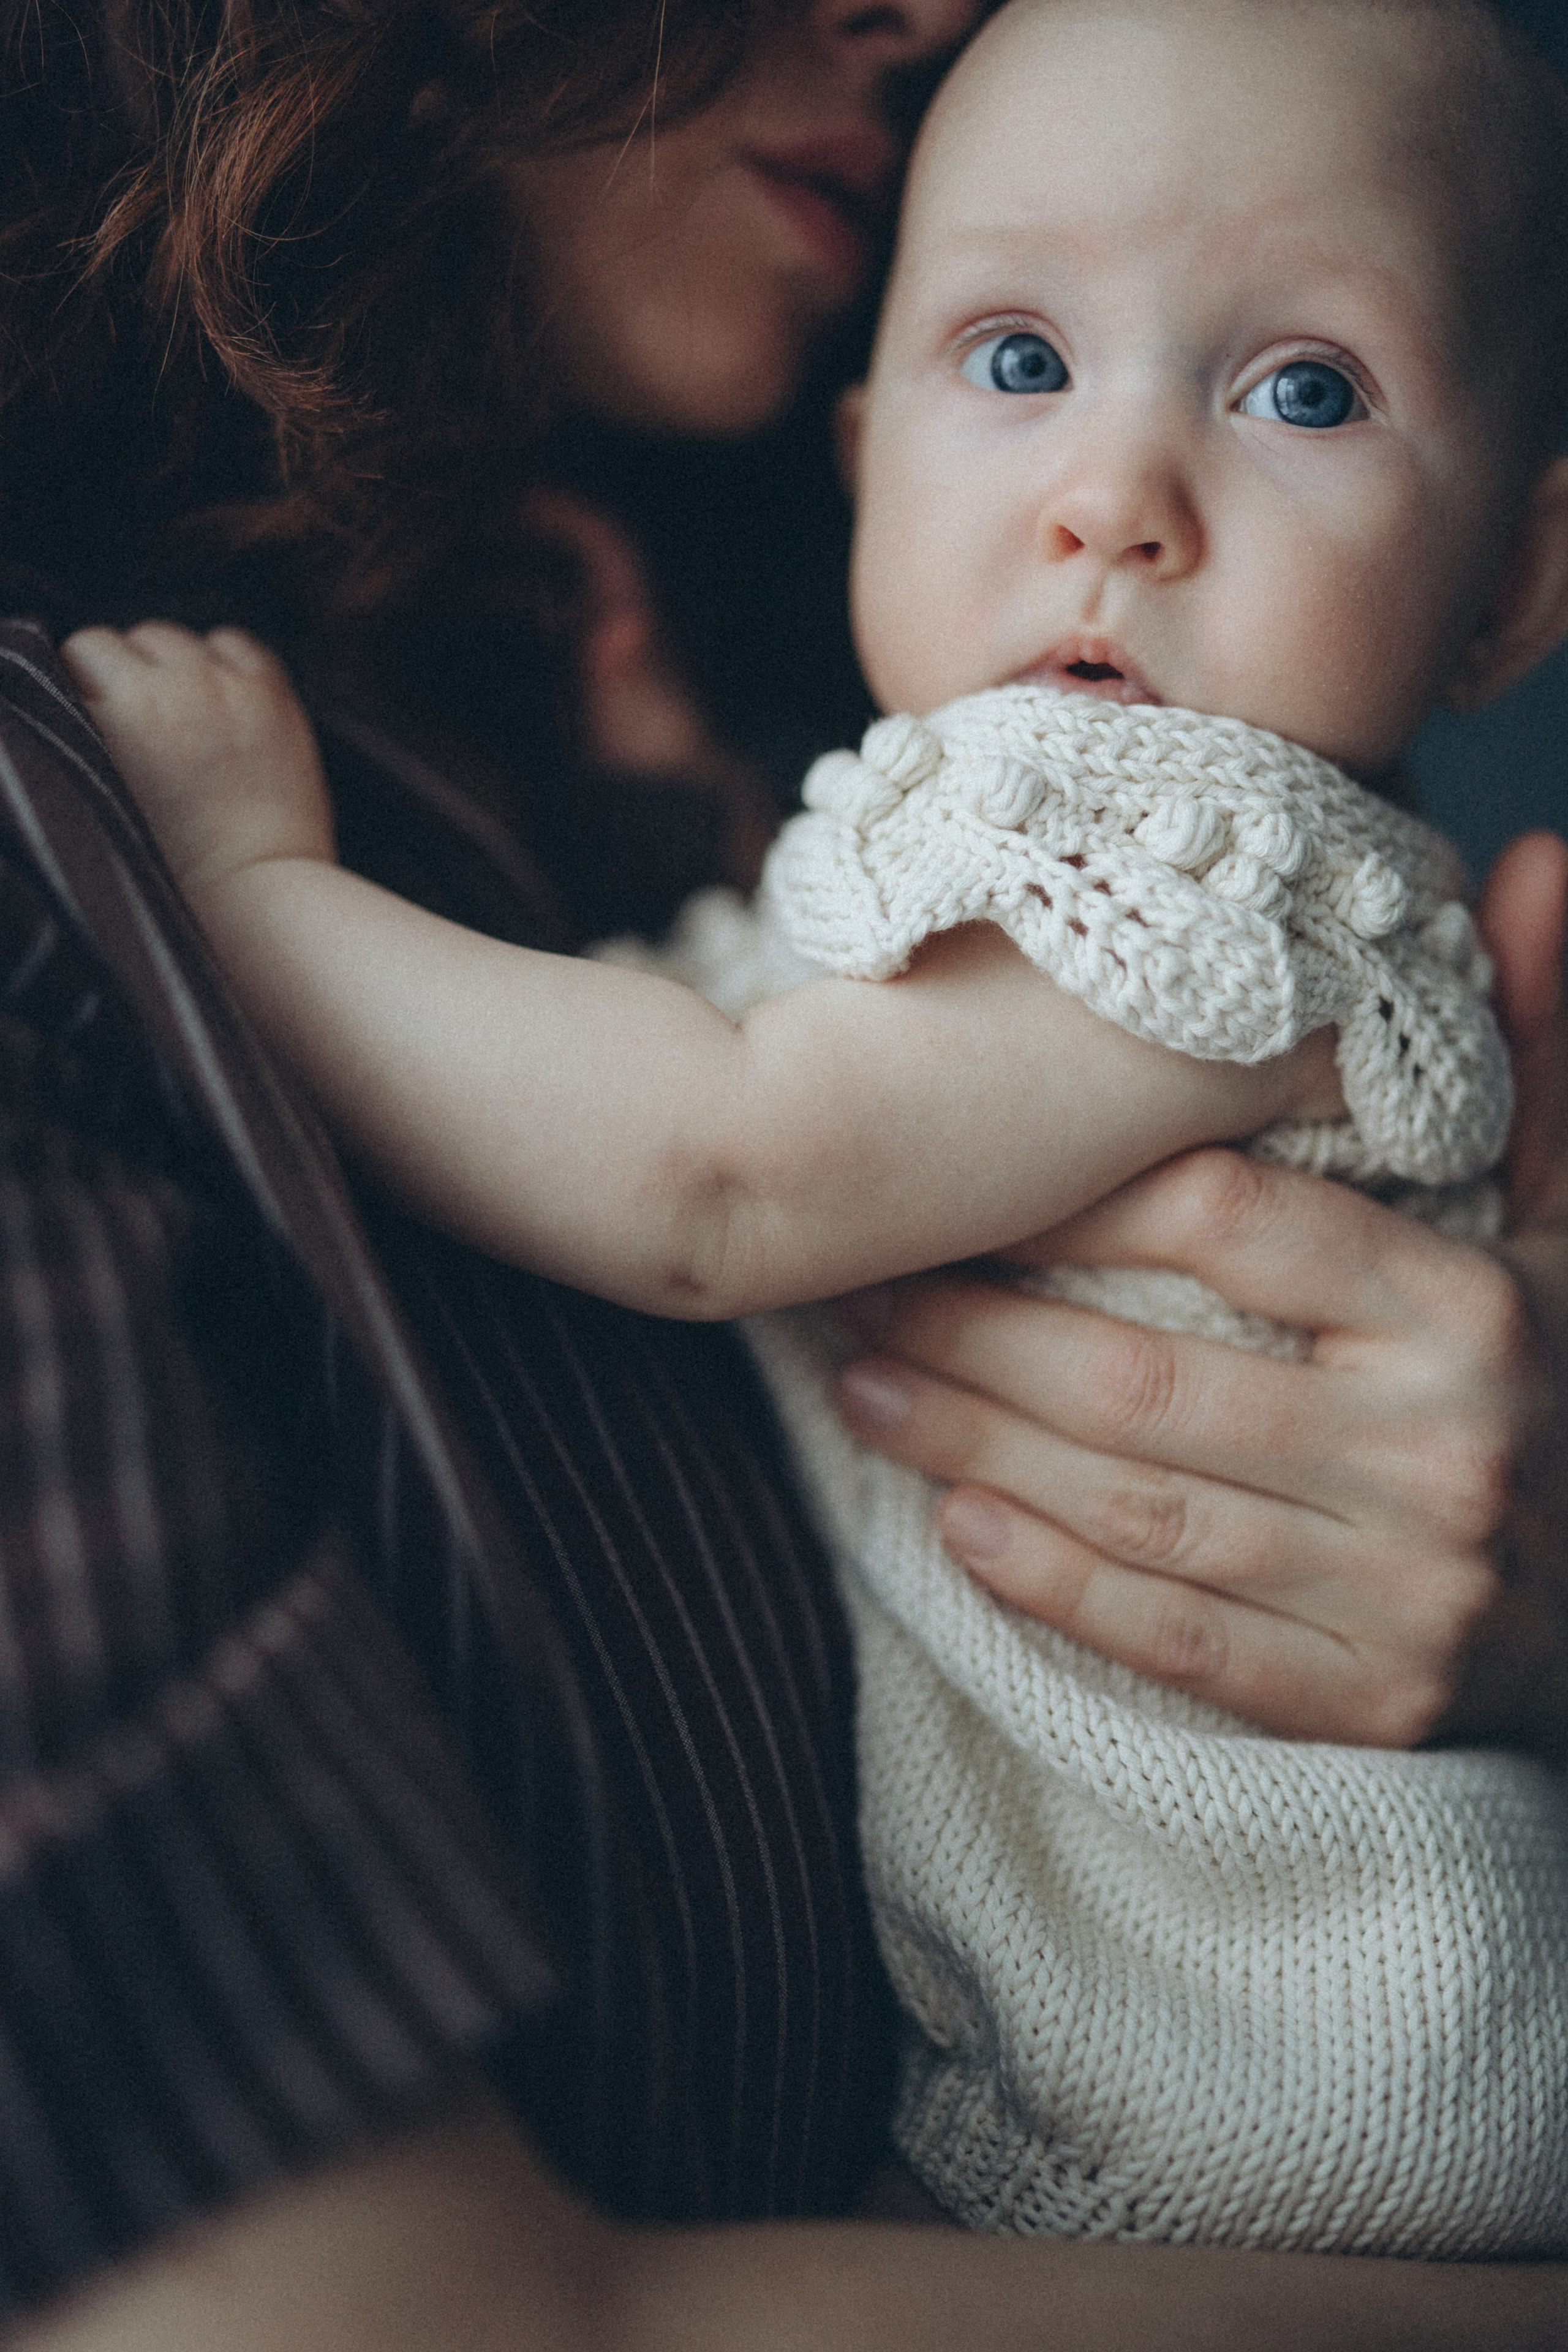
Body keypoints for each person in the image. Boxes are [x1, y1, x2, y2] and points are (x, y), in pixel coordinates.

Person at [1, 0, 1567, 2345]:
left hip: (1278, 2063)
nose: (1119, 490)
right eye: (1018, 357)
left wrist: (247, 899)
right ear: (868, 457)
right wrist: (709, 858)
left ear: (1520, 590)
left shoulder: (1232, 863)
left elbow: (725, 1171)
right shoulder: (944, 797)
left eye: (1307, 391)